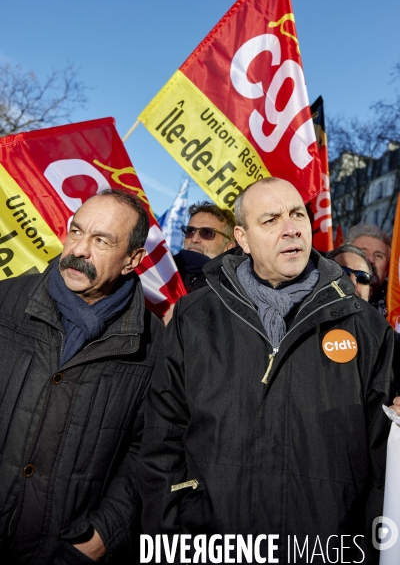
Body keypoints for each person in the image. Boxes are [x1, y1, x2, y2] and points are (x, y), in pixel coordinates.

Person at [138, 178, 394, 564]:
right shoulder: (195, 318)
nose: (290, 228)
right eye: (271, 220)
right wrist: (173, 541)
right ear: (242, 238)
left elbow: (384, 470)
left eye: (296, 215)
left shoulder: (367, 328)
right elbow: (161, 445)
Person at [0, 189, 163, 564]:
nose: (79, 250)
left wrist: (105, 534)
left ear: (131, 259)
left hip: (62, 550)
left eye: (101, 241)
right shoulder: (6, 303)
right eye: (76, 231)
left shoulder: (155, 345)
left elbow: (149, 451)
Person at [173, 201, 236, 293]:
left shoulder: (233, 290)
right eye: (190, 231)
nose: (194, 239)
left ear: (228, 247)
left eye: (206, 232)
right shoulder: (161, 271)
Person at [345, 223, 391, 316]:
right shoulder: (329, 296)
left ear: (387, 269)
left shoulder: (395, 306)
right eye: (362, 252)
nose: (370, 260)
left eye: (379, 255)